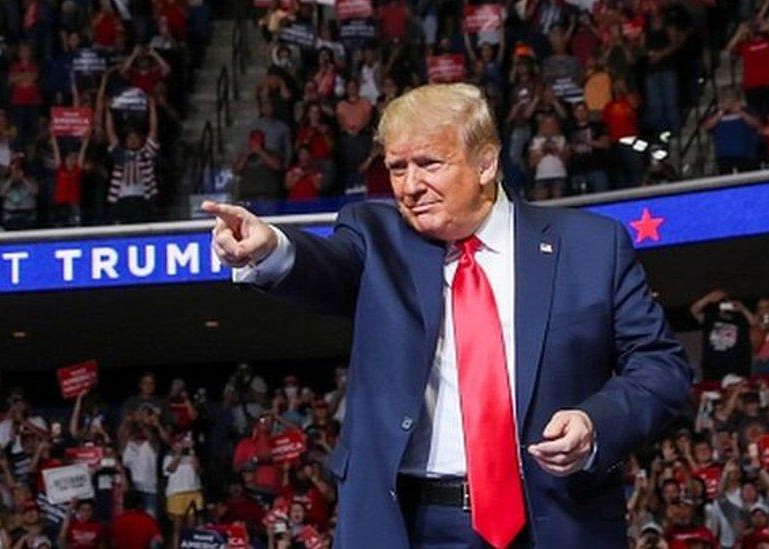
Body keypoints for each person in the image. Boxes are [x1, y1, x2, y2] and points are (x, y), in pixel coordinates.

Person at [204, 83, 691, 548]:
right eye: (397, 168)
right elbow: (327, 267)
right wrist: (271, 250)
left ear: (485, 163)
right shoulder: (375, 236)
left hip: (555, 517)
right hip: (412, 526)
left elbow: (661, 368)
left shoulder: (591, 246)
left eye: (428, 164)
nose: (410, 186)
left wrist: (594, 421)